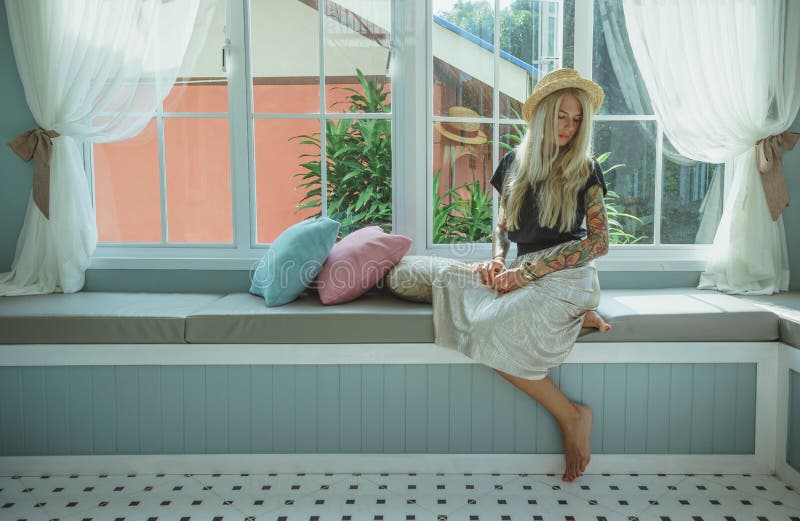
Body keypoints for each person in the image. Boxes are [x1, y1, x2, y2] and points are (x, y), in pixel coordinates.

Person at [432, 68, 612, 483]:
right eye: (562, 116)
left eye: (578, 119)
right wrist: (497, 260)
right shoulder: (513, 162)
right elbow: (502, 224)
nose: (569, 126)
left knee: (489, 327)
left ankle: (571, 416)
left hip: (566, 273)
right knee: (452, 280)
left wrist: (527, 274)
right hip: (523, 271)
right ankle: (578, 315)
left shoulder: (585, 169)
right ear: (544, 114)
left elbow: (597, 243)